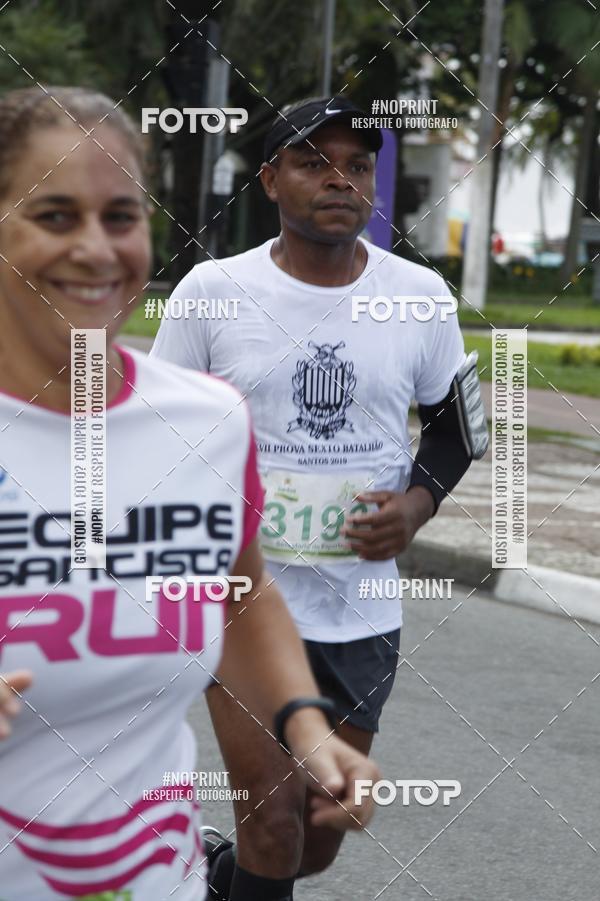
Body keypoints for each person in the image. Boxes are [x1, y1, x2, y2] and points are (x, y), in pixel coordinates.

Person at [0, 86, 380, 901]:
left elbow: (240, 592)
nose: (97, 250)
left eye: (122, 216)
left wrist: (307, 730)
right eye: (56, 216)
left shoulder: (205, 421)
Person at [151, 95, 488, 900]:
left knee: (318, 832)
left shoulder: (420, 296)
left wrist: (415, 506)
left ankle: (217, 876)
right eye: (313, 161)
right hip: (242, 599)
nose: (340, 179)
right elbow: (157, 427)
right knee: (273, 819)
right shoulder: (211, 292)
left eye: (357, 164)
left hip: (361, 607)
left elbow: (455, 432)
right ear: (270, 179)